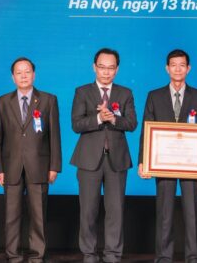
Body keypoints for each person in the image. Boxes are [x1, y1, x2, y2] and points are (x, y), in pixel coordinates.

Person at [138, 49, 197, 262]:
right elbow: (146, 131)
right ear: (167, 68)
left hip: (192, 164)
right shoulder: (154, 96)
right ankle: (163, 257)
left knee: (192, 212)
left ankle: (194, 257)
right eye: (173, 65)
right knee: (164, 213)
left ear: (188, 69)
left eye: (182, 65)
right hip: (163, 163)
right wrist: (143, 161)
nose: (177, 69)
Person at [70, 48, 138, 263]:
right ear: (94, 67)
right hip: (89, 160)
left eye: (111, 68)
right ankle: (89, 254)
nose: (106, 72)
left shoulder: (125, 93)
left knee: (115, 211)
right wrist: (99, 118)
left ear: (117, 69)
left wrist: (114, 119)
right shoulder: (82, 92)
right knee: (88, 211)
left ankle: (112, 255)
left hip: (117, 160)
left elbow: (132, 123)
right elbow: (76, 124)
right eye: (102, 67)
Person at [0, 57, 61, 263]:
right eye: (19, 72)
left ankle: (37, 256)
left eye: (27, 71)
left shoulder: (49, 100)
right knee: (11, 216)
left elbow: (55, 136)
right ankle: (12, 256)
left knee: (38, 216)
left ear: (34, 74)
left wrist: (54, 166)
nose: (23, 76)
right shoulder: (2, 102)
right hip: (11, 167)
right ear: (12, 77)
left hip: (39, 166)